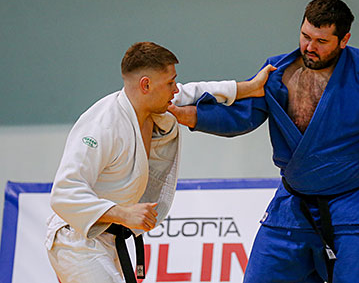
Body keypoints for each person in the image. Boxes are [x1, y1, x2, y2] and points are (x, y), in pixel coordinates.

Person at [168, 0, 359, 283]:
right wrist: (185, 115)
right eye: (305, 36)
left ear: (343, 39)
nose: (310, 47)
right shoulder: (277, 72)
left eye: (321, 41)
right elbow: (243, 116)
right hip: (292, 204)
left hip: (349, 205)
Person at [45, 41, 276, 283]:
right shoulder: (102, 125)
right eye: (170, 83)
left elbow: (197, 91)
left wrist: (249, 88)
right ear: (146, 85)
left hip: (108, 237)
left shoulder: (153, 106)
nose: (176, 89)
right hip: (75, 238)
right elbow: (63, 194)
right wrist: (123, 213)